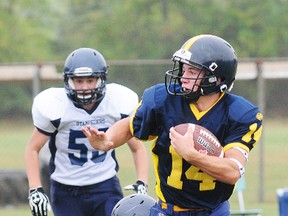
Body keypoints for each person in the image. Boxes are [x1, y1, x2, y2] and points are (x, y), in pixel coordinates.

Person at [82, 34, 263, 216]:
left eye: (192, 72)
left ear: (216, 79)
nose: (183, 77)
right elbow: (130, 125)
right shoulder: (163, 100)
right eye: (183, 69)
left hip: (213, 211)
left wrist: (192, 156)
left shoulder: (240, 114)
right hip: (168, 210)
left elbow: (232, 172)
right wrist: (109, 141)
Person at [25, 47, 149, 216]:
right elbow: (32, 148)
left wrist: (142, 181)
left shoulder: (116, 102)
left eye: (90, 80)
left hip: (105, 185)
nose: (85, 87)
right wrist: (35, 189)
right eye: (79, 81)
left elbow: (137, 147)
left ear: (101, 79)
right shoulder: (56, 105)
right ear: (68, 81)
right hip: (65, 188)